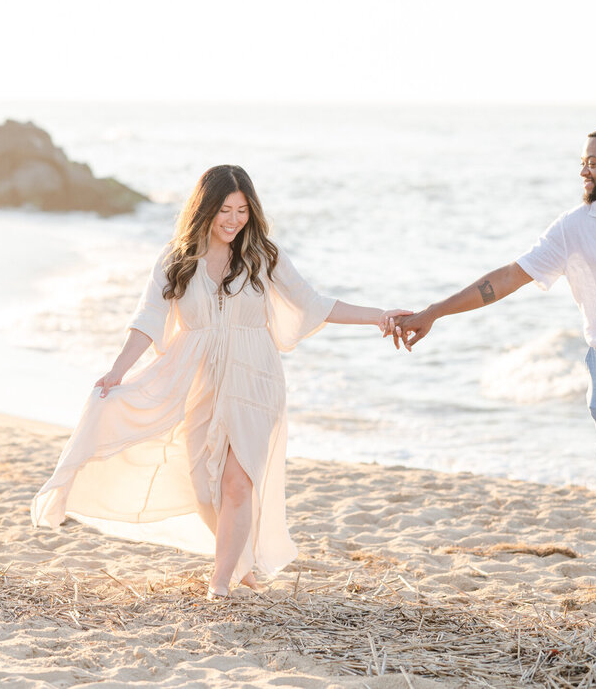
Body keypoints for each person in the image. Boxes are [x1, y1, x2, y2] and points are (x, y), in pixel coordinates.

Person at [392, 124, 596, 625]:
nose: (583, 170)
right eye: (583, 161)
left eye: (593, 161)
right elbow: (507, 278)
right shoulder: (574, 225)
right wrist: (434, 311)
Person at [32, 165, 407, 598]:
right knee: (203, 489)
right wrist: (119, 369)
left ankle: (221, 582)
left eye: (242, 211)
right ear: (205, 209)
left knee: (236, 482)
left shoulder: (263, 256)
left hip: (255, 378)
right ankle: (240, 561)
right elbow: (148, 319)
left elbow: (313, 303)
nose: (233, 220)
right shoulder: (176, 259)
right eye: (225, 210)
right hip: (199, 381)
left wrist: (379, 316)